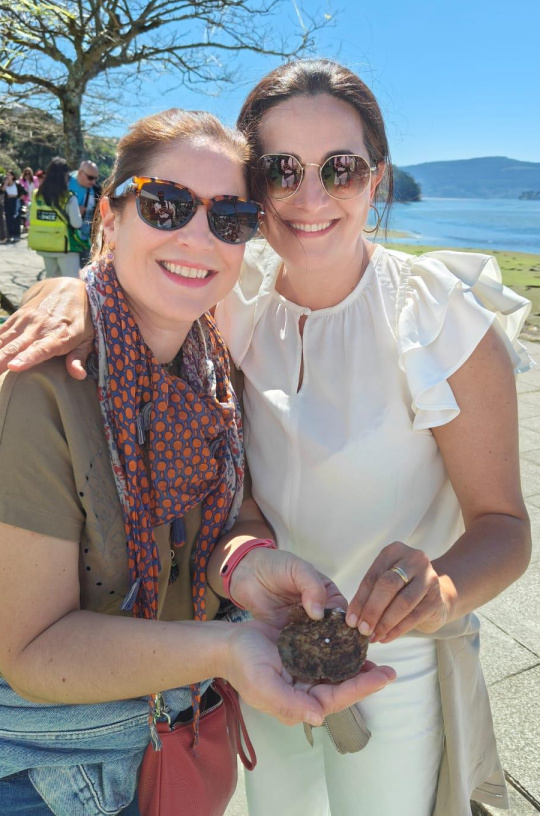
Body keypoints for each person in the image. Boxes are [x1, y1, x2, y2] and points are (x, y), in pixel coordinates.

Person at [0, 60, 533, 816]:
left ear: (374, 182)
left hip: (395, 661)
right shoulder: (229, 306)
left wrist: (439, 590)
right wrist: (73, 289)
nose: (311, 197)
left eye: (340, 170)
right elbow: (141, 279)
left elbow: (506, 527)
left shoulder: (440, 319)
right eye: (282, 171)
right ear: (259, 194)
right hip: (262, 648)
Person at [0, 107, 395, 816]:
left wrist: (246, 565)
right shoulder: (41, 387)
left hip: (176, 748)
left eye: (230, 217)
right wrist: (222, 651)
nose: (197, 236)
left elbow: (223, 521)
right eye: (165, 204)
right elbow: (30, 651)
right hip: (51, 773)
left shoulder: (213, 365)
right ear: (111, 220)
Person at [28, 157, 84, 278]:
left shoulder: (36, 195)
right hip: (65, 247)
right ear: (65, 177)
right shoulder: (69, 198)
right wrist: (80, 212)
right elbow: (76, 223)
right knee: (70, 282)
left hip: (44, 245)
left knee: (51, 281)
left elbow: (30, 218)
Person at [68, 160, 100, 265]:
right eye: (90, 178)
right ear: (80, 172)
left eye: (96, 178)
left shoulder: (96, 189)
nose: (93, 182)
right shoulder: (65, 182)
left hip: (86, 241)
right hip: (67, 240)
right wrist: (74, 212)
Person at [2, 169, 27, 242]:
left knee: (16, 218)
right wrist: (6, 182)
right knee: (8, 219)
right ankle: (10, 235)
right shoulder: (5, 184)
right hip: (8, 202)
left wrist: (20, 197)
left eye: (9, 175)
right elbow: (2, 190)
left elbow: (24, 192)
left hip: (16, 201)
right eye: (7, 175)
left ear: (13, 176)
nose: (8, 176)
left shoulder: (17, 184)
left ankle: (16, 234)